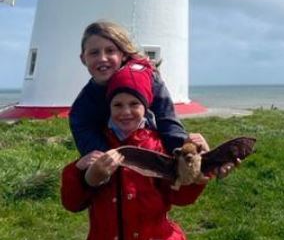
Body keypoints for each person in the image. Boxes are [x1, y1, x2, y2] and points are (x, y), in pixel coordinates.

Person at [61, 60, 209, 240]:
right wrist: (79, 173)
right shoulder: (97, 147)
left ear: (147, 106)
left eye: (134, 104)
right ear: (108, 107)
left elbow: (181, 198)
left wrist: (197, 168)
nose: (126, 111)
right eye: (117, 105)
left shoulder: (160, 146)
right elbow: (72, 203)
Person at [70, 20, 207, 157]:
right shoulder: (81, 109)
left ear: (123, 54)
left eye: (110, 50)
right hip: (114, 166)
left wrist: (187, 152)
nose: (103, 58)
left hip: (157, 158)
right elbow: (94, 152)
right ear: (83, 59)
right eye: (94, 53)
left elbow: (168, 125)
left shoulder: (150, 81)